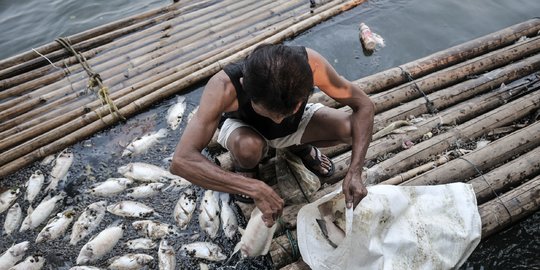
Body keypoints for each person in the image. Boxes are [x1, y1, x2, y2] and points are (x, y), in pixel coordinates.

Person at [170, 44, 374, 227]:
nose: (277, 120)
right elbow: (181, 161)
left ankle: (297, 146)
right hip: (244, 128)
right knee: (248, 147)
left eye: (284, 113)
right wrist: (253, 187)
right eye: (269, 112)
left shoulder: (312, 64)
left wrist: (355, 170)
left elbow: (364, 105)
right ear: (246, 88)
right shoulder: (225, 86)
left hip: (296, 125)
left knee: (350, 130)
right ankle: (247, 168)